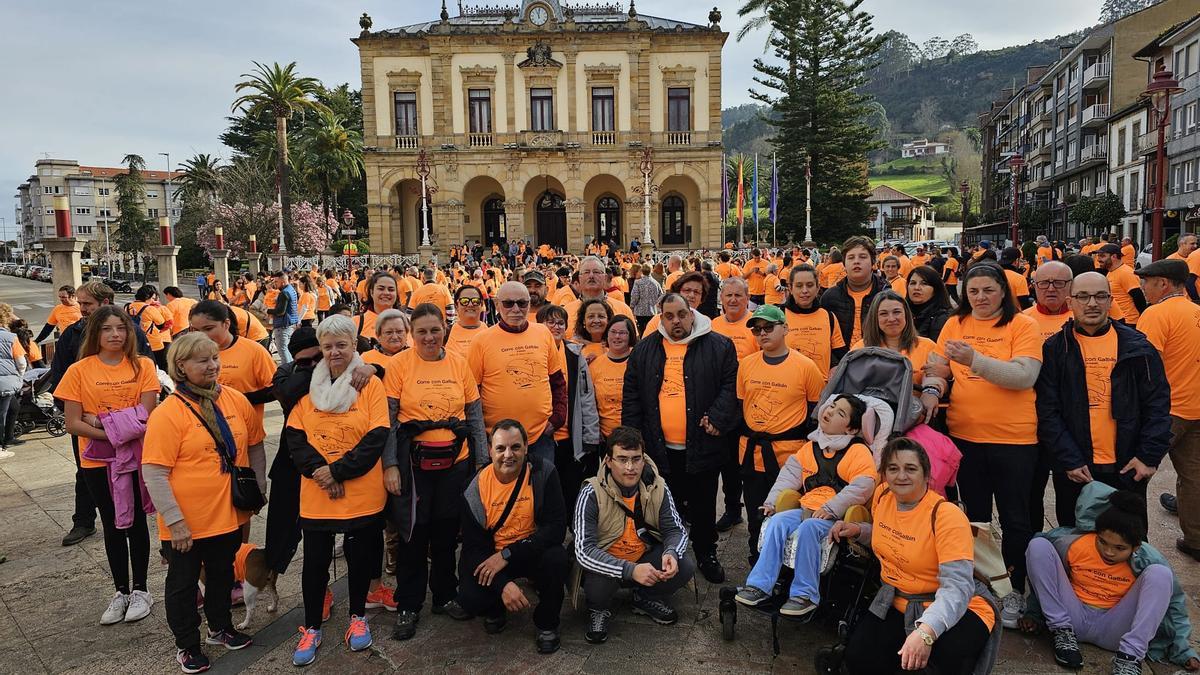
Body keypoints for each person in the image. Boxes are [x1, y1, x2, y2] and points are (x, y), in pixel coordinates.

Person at [936, 261, 1043, 628]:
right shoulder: (955, 323)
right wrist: (931, 380)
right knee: (974, 519)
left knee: (1016, 518)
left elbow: (1024, 376)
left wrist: (974, 359)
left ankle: (1015, 589)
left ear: (1004, 292)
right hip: (965, 436)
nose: (980, 297)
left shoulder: (1023, 325)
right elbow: (940, 366)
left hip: (1014, 439)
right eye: (973, 291)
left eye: (988, 290)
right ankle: (982, 585)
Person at [142, 333, 258, 673]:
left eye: (215, 358)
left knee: (222, 575)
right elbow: (154, 472)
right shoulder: (169, 413)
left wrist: (256, 486)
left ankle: (220, 628)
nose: (212, 366)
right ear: (181, 366)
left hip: (227, 514)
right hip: (186, 522)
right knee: (183, 584)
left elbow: (254, 444)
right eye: (202, 360)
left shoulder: (234, 399)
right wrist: (175, 521)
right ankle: (187, 645)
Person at [836, 438, 998, 675]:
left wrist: (925, 632)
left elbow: (957, 588)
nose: (901, 476)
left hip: (959, 606)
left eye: (910, 468)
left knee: (920, 667)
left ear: (926, 474)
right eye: (893, 468)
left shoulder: (945, 516)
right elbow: (894, 538)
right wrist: (861, 531)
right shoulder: (882, 497)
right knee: (858, 660)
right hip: (900, 600)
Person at [280, 315, 388, 665]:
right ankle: (311, 626)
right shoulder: (307, 386)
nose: (335, 352)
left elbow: (376, 436)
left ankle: (358, 616)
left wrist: (339, 471)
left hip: (360, 489)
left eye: (342, 345)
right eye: (328, 346)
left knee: (361, 558)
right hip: (317, 491)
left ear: (354, 346)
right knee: (315, 562)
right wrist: (320, 472)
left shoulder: (369, 383)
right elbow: (294, 436)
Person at [385, 304, 487, 640]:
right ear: (412, 334)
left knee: (446, 533)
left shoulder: (459, 363)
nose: (429, 337)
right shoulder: (400, 365)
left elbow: (474, 416)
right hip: (415, 464)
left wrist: (482, 462)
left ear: (445, 329)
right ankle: (409, 603)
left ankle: (444, 594)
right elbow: (388, 422)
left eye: (435, 330)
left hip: (455, 462)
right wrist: (391, 466)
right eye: (422, 332)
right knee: (414, 533)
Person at [623, 293, 740, 584]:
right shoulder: (646, 349)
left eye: (681, 314)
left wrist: (717, 417)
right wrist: (633, 440)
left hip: (702, 443)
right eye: (669, 316)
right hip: (659, 447)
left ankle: (705, 552)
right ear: (660, 317)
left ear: (692, 313)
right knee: (666, 505)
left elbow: (730, 385)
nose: (676, 321)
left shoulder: (719, 345)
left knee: (703, 504)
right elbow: (633, 394)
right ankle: (669, 554)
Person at [1035, 271, 1168, 526]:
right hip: (1077, 469)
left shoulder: (1137, 347)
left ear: (1110, 301)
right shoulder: (1055, 349)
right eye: (1083, 296)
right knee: (1075, 540)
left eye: (1100, 296)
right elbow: (1047, 410)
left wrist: (1148, 457)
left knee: (1128, 541)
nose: (1092, 303)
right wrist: (1068, 460)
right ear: (1070, 302)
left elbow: (1158, 404)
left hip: (1128, 467)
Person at [54, 307, 160, 626]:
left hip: (135, 457)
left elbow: (145, 417)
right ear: (95, 334)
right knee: (112, 523)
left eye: (121, 328)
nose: (115, 334)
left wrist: (99, 420)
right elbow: (72, 423)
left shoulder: (143, 366)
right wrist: (116, 432)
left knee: (137, 521)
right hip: (96, 459)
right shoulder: (79, 370)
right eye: (107, 329)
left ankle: (141, 589)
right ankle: (121, 591)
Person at [1023, 486, 1200, 673]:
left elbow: (1174, 607)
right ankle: (1062, 634)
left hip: (1116, 629)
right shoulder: (1074, 543)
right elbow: (1044, 578)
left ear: (1136, 546)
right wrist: (1034, 614)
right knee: (1038, 546)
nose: (1108, 552)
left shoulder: (1149, 558)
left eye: (1119, 548)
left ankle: (1130, 657)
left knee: (1161, 574)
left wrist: (1182, 649)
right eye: (1102, 542)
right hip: (1071, 619)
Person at [736, 395, 877, 616]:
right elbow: (787, 477)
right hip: (806, 508)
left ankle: (805, 594)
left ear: (851, 429)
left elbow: (864, 485)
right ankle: (760, 585)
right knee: (778, 522)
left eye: (840, 412)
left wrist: (831, 508)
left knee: (808, 528)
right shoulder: (810, 447)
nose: (830, 411)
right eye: (831, 406)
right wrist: (771, 503)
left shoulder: (858, 451)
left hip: (834, 517)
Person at [49, 281, 153, 547]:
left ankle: (136, 522)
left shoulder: (133, 333)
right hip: (87, 425)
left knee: (133, 474)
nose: (81, 308)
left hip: (128, 427)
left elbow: (147, 377)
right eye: (80, 303)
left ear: (105, 303)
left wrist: (115, 424)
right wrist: (78, 414)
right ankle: (83, 521)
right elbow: (59, 376)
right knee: (86, 474)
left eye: (87, 304)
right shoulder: (72, 334)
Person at [453, 419, 569, 654]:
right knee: (469, 596)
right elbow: (473, 550)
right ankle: (495, 609)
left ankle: (547, 623)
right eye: (500, 448)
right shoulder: (474, 489)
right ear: (489, 450)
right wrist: (503, 584)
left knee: (557, 559)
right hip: (492, 555)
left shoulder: (544, 473)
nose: (508, 454)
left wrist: (509, 554)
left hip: (531, 549)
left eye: (515, 447)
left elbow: (556, 529)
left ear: (526, 447)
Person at [574, 426, 695, 643]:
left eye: (636, 459)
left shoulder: (658, 486)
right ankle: (598, 609)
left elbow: (675, 530)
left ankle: (645, 597)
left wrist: (671, 553)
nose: (630, 467)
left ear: (643, 460)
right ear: (608, 461)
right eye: (622, 459)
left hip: (642, 556)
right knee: (597, 586)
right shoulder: (590, 492)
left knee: (684, 565)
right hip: (607, 564)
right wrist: (630, 570)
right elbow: (584, 551)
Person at [735, 304, 824, 555]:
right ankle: (756, 560)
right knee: (755, 515)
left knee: (785, 516)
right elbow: (742, 405)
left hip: (789, 459)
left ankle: (784, 571)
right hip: (751, 455)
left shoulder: (806, 367)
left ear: (785, 328)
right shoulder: (746, 365)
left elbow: (816, 413)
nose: (762, 333)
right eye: (757, 330)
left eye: (768, 327)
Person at [1134, 260, 1200, 561]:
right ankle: (1196, 540)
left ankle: (1131, 542)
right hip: (1196, 408)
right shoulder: (1197, 312)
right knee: (1194, 476)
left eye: (1145, 282)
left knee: (1134, 475)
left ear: (1163, 283)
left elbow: (1147, 369)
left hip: (1167, 413)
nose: (1142, 288)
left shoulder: (1156, 314)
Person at [189, 301, 276, 520]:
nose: (202, 335)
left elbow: (275, 389)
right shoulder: (188, 353)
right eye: (195, 330)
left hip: (243, 438)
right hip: (202, 438)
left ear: (226, 323)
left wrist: (238, 399)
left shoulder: (252, 350)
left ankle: (239, 551)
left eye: (208, 329)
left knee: (240, 503)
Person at [467, 281, 567, 464]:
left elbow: (557, 382)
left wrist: (556, 420)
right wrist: (482, 438)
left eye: (522, 303)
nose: (516, 309)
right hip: (498, 440)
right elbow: (472, 395)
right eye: (508, 303)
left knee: (541, 490)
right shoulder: (481, 341)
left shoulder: (543, 333)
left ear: (529, 304)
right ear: (497, 305)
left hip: (540, 436)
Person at [537, 303, 601, 514]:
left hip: (569, 437)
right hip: (541, 436)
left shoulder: (574, 355)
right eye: (550, 322)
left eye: (560, 323)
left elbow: (586, 397)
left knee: (571, 490)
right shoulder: (532, 353)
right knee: (544, 492)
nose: (556, 327)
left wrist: (590, 436)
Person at [856, 291, 946, 421]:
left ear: (906, 315)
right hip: (873, 422)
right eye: (883, 314)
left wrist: (932, 391)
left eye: (897, 312)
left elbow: (939, 378)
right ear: (875, 318)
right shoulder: (861, 349)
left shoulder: (927, 347)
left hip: (916, 419)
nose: (891, 318)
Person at [821, 236, 887, 349]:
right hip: (842, 361)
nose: (856, 261)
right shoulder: (830, 297)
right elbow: (823, 337)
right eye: (851, 257)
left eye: (863, 257)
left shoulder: (886, 295)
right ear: (844, 263)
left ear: (873, 262)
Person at [782, 265, 846, 379]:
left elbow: (839, 352)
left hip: (821, 389)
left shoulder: (828, 316)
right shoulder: (779, 315)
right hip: (788, 386)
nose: (805, 290)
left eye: (810, 285)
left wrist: (835, 366)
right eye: (799, 286)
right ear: (790, 288)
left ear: (817, 287)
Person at [589, 316, 637, 443]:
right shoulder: (595, 364)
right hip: (605, 437)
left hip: (636, 434)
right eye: (613, 332)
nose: (617, 337)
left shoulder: (639, 361)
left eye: (622, 333)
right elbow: (590, 403)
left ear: (630, 335)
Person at [564, 257, 634, 339]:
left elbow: (634, 345)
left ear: (605, 277)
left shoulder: (623, 309)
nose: (591, 276)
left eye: (596, 272)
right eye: (586, 272)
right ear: (579, 278)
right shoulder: (567, 311)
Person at [1096, 244, 1147, 326]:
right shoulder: (1111, 272)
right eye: (1098, 256)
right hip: (1118, 320)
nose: (1098, 259)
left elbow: (1138, 297)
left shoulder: (1126, 273)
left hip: (1129, 322)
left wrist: (1144, 319)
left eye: (1102, 256)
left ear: (1114, 257)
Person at [127, 284, 173, 370]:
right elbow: (161, 324)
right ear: (147, 297)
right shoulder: (150, 309)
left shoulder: (128, 307)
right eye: (152, 298)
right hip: (152, 343)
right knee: (158, 366)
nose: (153, 301)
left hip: (134, 341)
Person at [0, 305, 26, 455]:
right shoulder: (11, 338)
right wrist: (19, 377)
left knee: (13, 407)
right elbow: (21, 362)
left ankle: (9, 437)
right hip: (6, 382)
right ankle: (1, 445)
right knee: (1, 414)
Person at [356, 271, 403, 349]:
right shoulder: (357, 322)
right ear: (371, 292)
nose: (386, 293)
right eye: (381, 289)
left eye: (391, 289)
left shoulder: (407, 323)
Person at [905, 266, 952, 341]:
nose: (916, 288)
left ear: (935, 289)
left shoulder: (943, 319)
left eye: (924, 283)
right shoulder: (902, 312)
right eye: (913, 283)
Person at [266, 271, 300, 365]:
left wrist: (268, 310)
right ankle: (291, 368)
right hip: (290, 323)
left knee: (283, 350)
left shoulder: (284, 293)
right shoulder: (291, 290)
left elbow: (280, 312)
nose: (275, 284)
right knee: (287, 349)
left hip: (283, 324)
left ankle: (287, 371)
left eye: (276, 282)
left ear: (283, 282)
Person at [447, 284, 486, 357]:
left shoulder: (491, 332)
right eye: (464, 301)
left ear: (481, 305)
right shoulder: (445, 334)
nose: (470, 304)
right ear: (456, 306)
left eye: (475, 301)